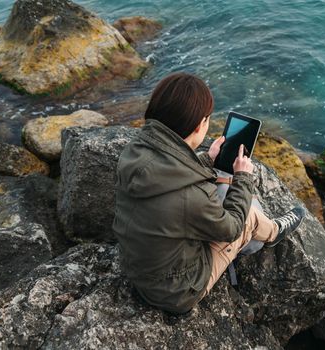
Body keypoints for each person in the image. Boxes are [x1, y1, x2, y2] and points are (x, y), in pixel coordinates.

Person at [112, 72, 305, 314]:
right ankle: (275, 231)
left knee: (219, 183)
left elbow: (169, 180)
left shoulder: (135, 152)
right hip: (176, 291)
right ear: (199, 126)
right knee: (249, 216)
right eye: (207, 120)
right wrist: (244, 178)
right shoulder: (191, 197)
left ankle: (262, 224)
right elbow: (231, 228)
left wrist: (206, 159)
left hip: (139, 268)